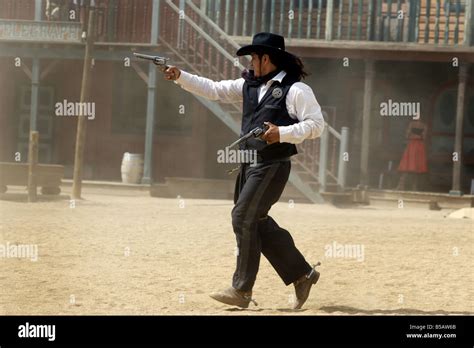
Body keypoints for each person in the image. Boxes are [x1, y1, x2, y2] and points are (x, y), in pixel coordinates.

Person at [163, 32, 325, 309]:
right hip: (249, 164)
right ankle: (302, 274)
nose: (250, 62)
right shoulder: (248, 85)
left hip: (273, 165)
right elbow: (213, 89)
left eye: (254, 57)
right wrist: (180, 76)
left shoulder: (296, 90)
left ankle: (241, 290)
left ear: (267, 58)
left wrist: (282, 132)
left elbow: (316, 126)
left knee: (242, 217)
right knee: (255, 221)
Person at [396, 118, 428, 191]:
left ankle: (401, 185)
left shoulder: (411, 124)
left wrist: (411, 136)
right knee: (416, 167)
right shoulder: (424, 126)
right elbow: (424, 137)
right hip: (420, 146)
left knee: (407, 165)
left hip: (412, 144)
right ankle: (414, 187)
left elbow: (407, 135)